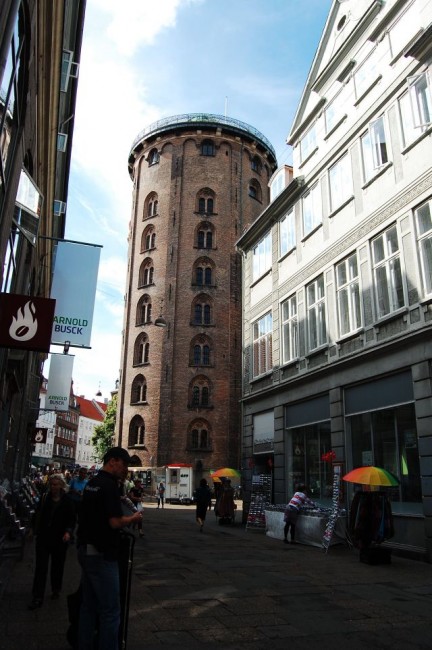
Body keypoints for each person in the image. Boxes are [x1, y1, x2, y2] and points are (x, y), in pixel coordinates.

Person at [77, 447, 143, 650]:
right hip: (102, 553)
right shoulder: (109, 486)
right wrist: (133, 518)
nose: (126, 470)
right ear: (113, 461)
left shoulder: (92, 483)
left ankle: (84, 645)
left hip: (85, 549)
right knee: (111, 611)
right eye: (124, 465)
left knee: (88, 606)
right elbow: (114, 522)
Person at [28, 473, 75, 610]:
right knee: (41, 567)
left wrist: (68, 532)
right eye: (51, 485)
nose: (53, 487)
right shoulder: (44, 498)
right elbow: (37, 514)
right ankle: (37, 596)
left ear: (61, 486)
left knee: (57, 566)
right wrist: (32, 529)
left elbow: (72, 519)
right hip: (43, 537)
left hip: (60, 539)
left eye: (56, 485)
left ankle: (56, 589)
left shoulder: (68, 501)